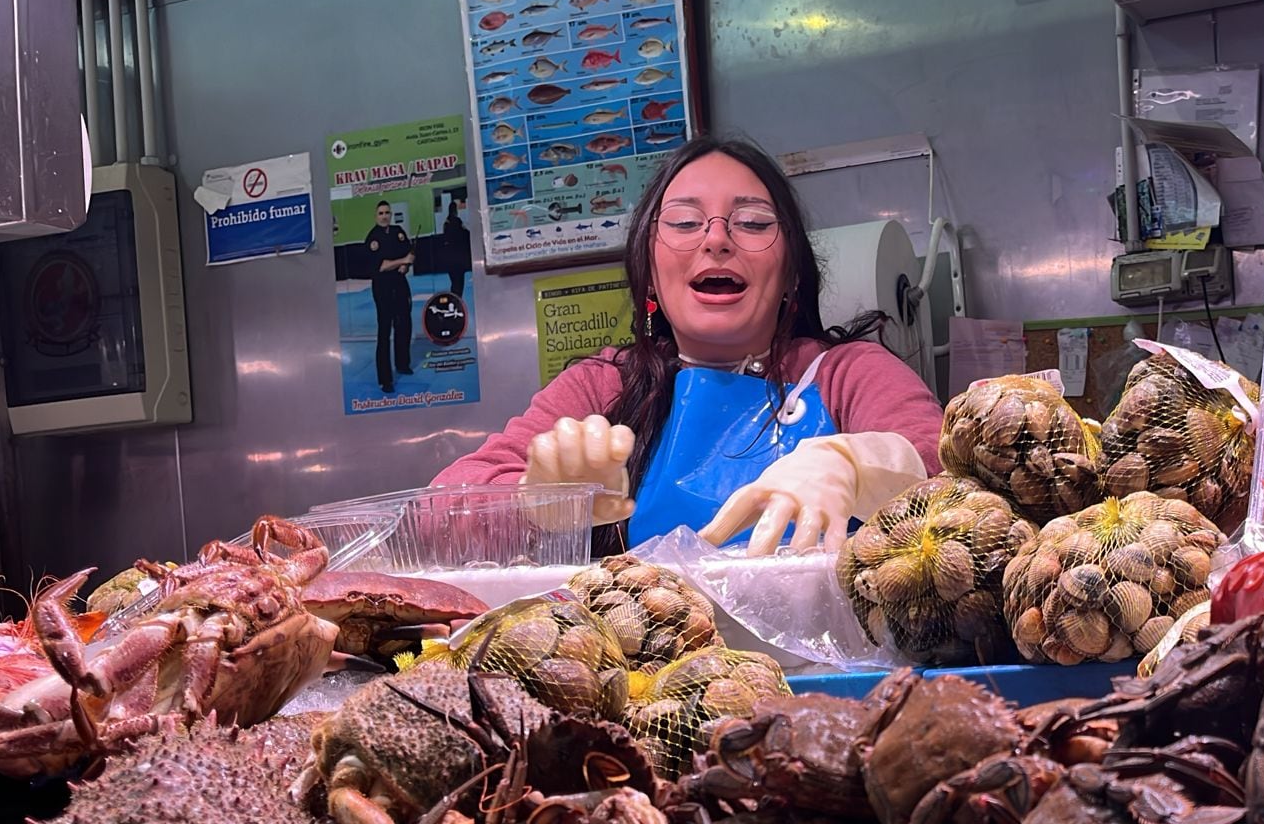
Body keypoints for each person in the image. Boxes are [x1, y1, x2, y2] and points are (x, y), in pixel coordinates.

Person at [432, 136, 942, 557]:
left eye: (753, 223)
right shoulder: (604, 384)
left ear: (790, 271)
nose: (717, 240)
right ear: (649, 272)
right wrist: (532, 499)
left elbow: (958, 474)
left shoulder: (846, 374)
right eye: (683, 222)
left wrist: (859, 464)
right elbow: (438, 515)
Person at [365, 200, 415, 393]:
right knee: (384, 331)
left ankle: (403, 363)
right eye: (381, 213)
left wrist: (406, 265)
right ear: (376, 216)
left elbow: (409, 253)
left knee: (404, 325)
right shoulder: (372, 239)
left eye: (387, 212)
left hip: (400, 284)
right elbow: (382, 265)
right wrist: (402, 261)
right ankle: (385, 379)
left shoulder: (398, 232)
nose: (384, 216)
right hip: (383, 287)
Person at [443, 200, 468, 297]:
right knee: (459, 282)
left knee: (454, 283)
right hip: (458, 257)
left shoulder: (446, 223)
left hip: (449, 258)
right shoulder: (457, 221)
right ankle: (457, 300)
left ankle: (454, 300)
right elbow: (464, 233)